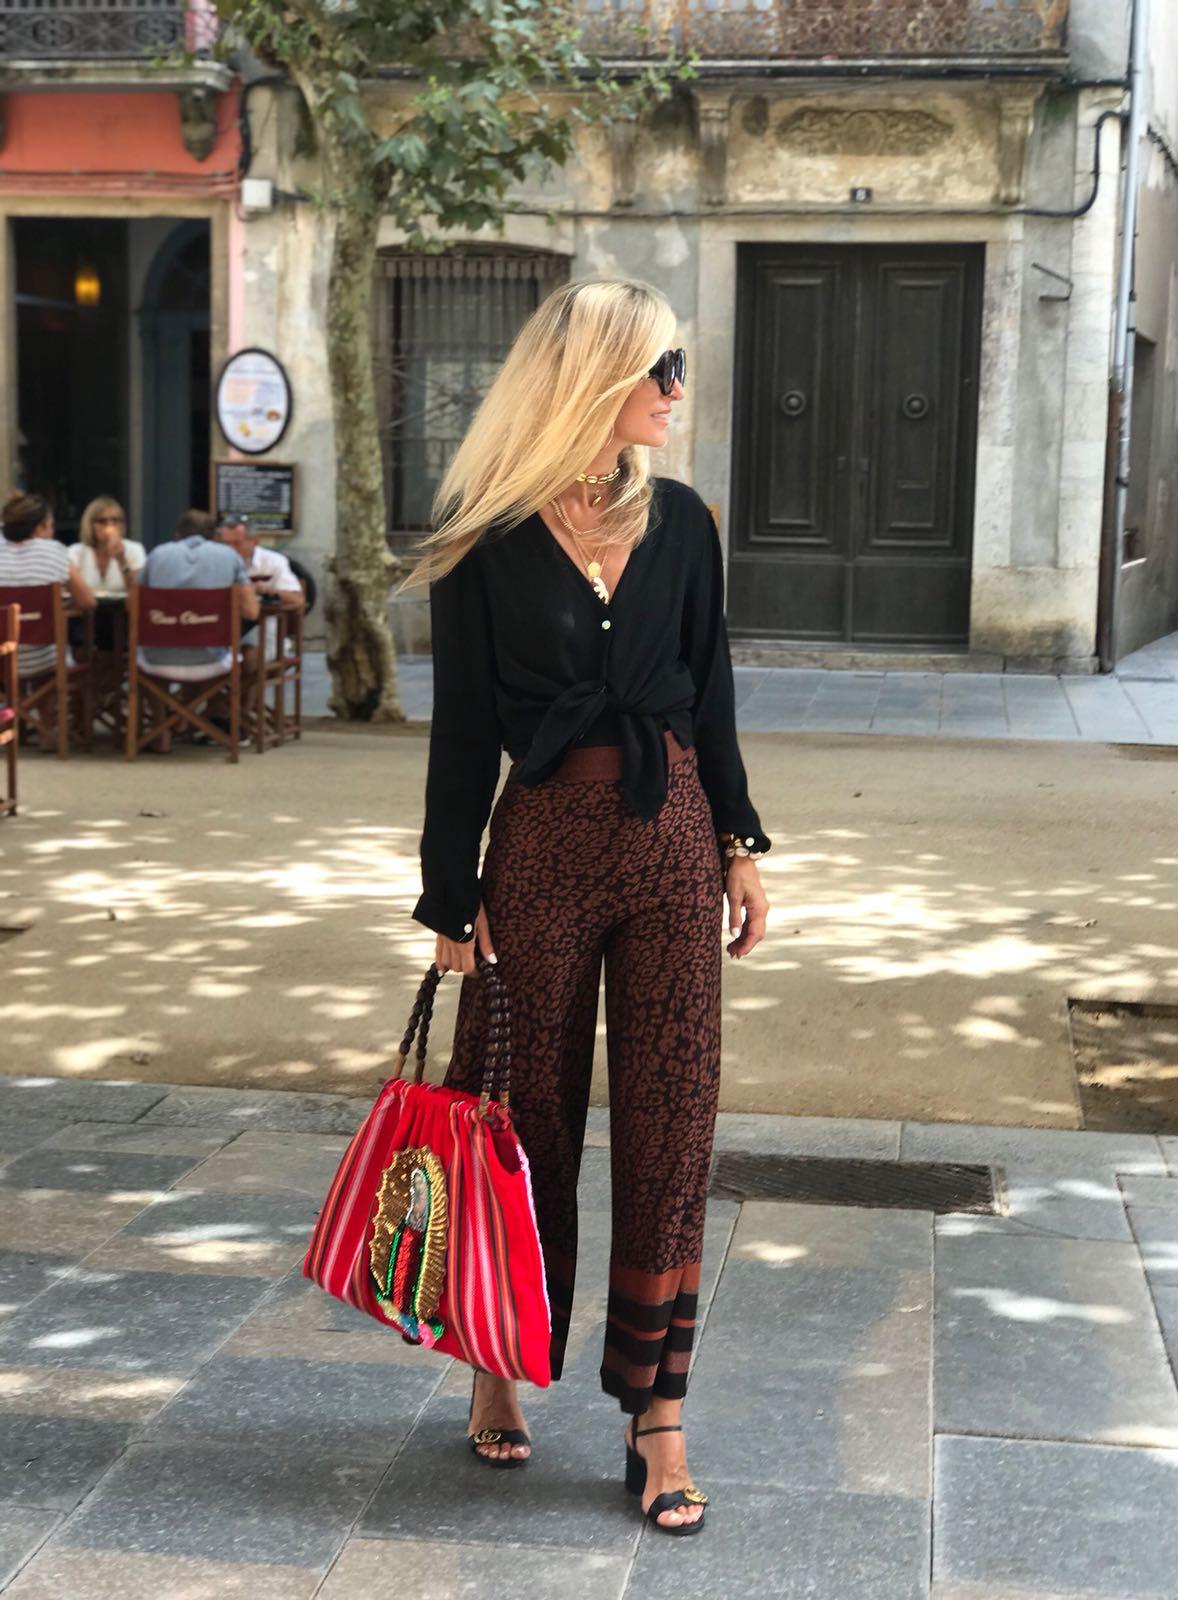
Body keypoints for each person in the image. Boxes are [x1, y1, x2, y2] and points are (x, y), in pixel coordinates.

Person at [401, 279, 771, 1537]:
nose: (676, 389)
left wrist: (739, 842)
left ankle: (655, 1414)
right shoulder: (486, 533)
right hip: (540, 851)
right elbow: (462, 732)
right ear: (594, 375)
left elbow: (710, 694)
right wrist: (448, 893)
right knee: (521, 1110)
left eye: (677, 366)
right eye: (659, 366)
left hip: (669, 841)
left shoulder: (684, 524)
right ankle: (495, 1359)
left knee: (672, 1118)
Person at [136, 510, 259, 751]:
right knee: (225, 649)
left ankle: (161, 732)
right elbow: (252, 611)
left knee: (151, 651)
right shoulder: (229, 557)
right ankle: (208, 722)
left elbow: (134, 604)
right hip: (212, 660)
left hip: (157, 660)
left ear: (177, 535)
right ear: (213, 536)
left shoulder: (158, 554)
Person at [0, 491, 95, 683]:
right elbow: (88, 602)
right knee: (56, 656)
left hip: (2, 659)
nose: (52, 533)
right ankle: (46, 703)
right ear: (38, 529)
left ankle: (18, 703)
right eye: (50, 526)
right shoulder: (54, 551)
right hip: (43, 662)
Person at [217, 516, 305, 669]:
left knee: (249, 658)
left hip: (263, 627)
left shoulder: (273, 561)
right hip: (223, 627)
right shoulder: (215, 561)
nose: (231, 549)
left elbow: (297, 599)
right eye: (226, 544)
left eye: (237, 543)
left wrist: (262, 588)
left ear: (255, 541)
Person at [73, 497, 146, 594]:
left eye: (115, 520)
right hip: (86, 603)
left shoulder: (134, 549)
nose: (110, 524)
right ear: (90, 524)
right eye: (102, 521)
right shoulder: (77, 552)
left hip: (122, 603)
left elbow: (137, 590)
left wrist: (121, 559)